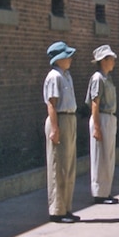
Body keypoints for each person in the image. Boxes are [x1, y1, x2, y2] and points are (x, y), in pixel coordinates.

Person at [44, 41, 79, 224]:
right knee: (58, 165)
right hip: (59, 119)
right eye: (67, 56)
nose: (70, 59)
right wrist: (55, 128)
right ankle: (57, 209)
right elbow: (52, 104)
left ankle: (67, 207)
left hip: (69, 118)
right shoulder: (54, 77)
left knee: (69, 164)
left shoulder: (66, 76)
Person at [86, 45, 119, 204]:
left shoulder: (107, 78)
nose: (113, 61)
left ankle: (106, 190)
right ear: (103, 61)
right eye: (110, 59)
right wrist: (97, 127)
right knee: (100, 156)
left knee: (108, 156)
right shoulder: (98, 78)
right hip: (101, 117)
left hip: (110, 117)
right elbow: (95, 103)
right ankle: (99, 192)